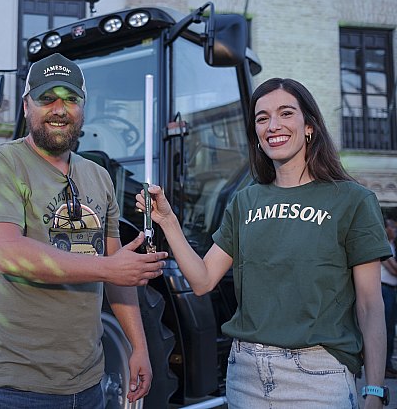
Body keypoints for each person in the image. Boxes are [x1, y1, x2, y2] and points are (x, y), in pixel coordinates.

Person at [137, 78, 392, 408]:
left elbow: (371, 306)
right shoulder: (244, 201)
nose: (273, 126)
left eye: (286, 113)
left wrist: (375, 389)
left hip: (318, 378)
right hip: (245, 375)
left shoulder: (353, 200)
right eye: (262, 118)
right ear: (256, 133)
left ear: (310, 126)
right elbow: (202, 281)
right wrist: (168, 221)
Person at [0, 53, 168, 408]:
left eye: (71, 99)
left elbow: (117, 273)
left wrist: (139, 347)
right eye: (48, 98)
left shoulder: (99, 176)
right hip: (13, 387)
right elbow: (8, 254)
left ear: (83, 108)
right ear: (27, 105)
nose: (60, 109)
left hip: (87, 384)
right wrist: (109, 267)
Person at [382, 217, 397, 378]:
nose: (394, 229)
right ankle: (384, 367)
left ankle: (388, 365)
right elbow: (393, 269)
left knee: (390, 330)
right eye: (392, 226)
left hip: (391, 290)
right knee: (384, 329)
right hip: (383, 290)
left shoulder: (392, 245)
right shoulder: (383, 245)